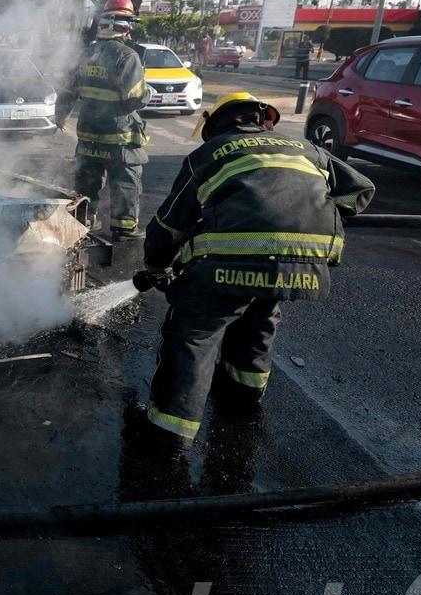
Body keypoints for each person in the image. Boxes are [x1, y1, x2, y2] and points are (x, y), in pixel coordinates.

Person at [129, 92, 375, 479]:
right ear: (263, 118)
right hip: (300, 268)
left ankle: (168, 434)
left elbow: (169, 226)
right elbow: (360, 190)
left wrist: (156, 266)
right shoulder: (307, 149)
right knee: (259, 316)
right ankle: (243, 398)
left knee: (194, 334)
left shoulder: (209, 155)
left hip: (226, 267)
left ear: (217, 124)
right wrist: (316, 214)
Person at [60, 0, 150, 239]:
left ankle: (84, 224)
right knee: (125, 184)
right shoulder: (128, 56)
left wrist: (60, 117)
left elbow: (67, 92)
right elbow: (136, 98)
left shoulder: (84, 55)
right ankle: (124, 228)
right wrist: (148, 91)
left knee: (86, 183)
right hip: (118, 138)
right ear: (126, 27)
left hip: (88, 136)